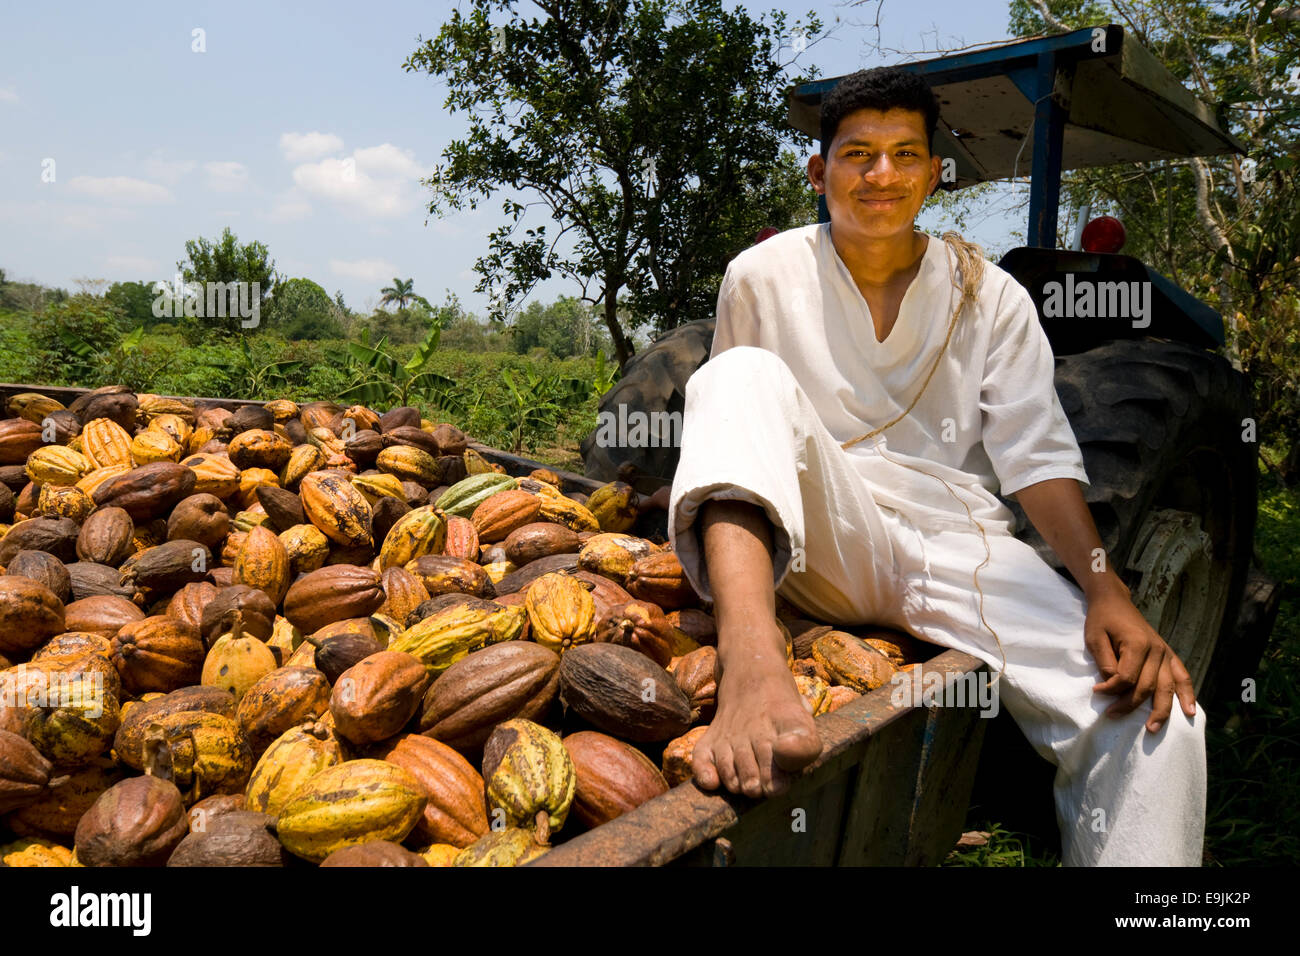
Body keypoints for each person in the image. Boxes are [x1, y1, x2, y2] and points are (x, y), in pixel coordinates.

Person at [666, 67, 1207, 866]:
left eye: (902, 154)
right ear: (820, 173)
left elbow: (1037, 459)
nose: (880, 174)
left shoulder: (992, 297)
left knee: (1158, 719)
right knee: (735, 377)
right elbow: (737, 437)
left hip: (959, 546)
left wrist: (1104, 588)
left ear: (932, 174)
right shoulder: (764, 274)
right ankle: (753, 669)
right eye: (856, 154)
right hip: (824, 534)